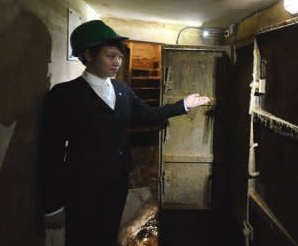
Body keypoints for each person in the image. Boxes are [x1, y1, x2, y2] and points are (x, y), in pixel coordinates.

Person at [39, 20, 210, 245]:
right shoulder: (64, 95)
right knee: (82, 239)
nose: (117, 62)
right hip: (82, 189)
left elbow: (148, 115)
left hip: (116, 184)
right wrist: (52, 206)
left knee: (109, 235)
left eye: (119, 56)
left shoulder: (121, 90)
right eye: (110, 56)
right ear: (89, 55)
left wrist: (182, 105)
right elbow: (50, 153)